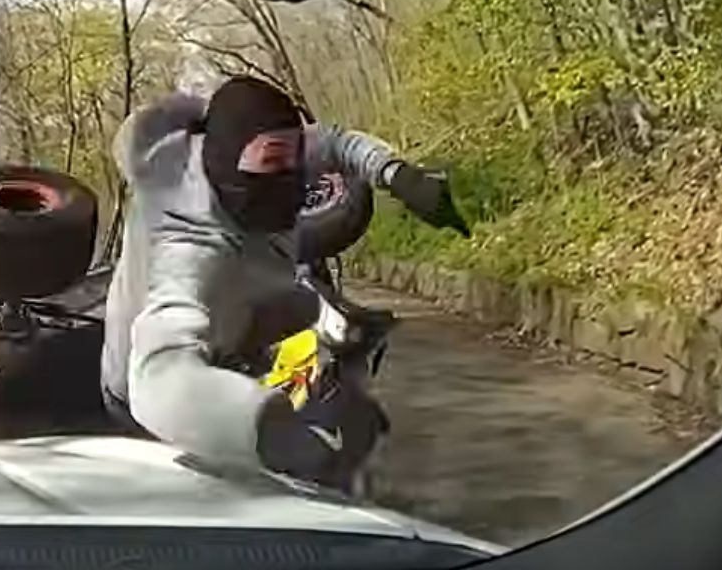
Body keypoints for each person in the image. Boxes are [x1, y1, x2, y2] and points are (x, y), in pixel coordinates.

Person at [98, 75, 467, 484]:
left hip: (238, 312)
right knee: (226, 490)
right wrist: (280, 438)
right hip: (145, 388)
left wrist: (399, 176)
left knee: (307, 304)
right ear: (224, 160)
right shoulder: (187, 248)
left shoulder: (260, 150)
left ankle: (310, 357)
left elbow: (337, 142)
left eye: (295, 159)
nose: (294, 174)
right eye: (275, 162)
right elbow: (157, 379)